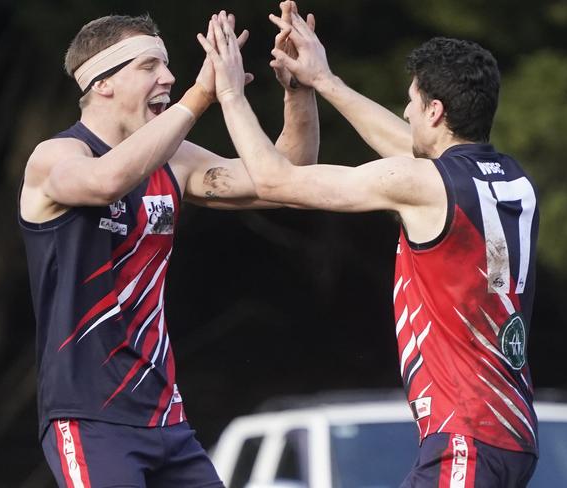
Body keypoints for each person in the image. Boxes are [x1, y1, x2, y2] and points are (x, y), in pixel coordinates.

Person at [198, 7, 539, 487]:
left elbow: (276, 181)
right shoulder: (511, 178)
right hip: (510, 432)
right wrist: (322, 81)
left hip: (463, 434)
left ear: (436, 111)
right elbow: (410, 150)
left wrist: (231, 92)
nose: (406, 112)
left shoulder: (423, 183)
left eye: (413, 102)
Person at [18, 5, 318, 487]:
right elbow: (105, 182)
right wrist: (204, 94)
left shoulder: (174, 160)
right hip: (90, 418)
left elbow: (286, 181)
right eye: (150, 66)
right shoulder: (58, 156)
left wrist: (298, 89)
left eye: (168, 65)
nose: (170, 77)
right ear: (102, 83)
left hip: (165, 419)